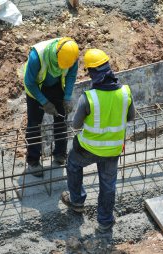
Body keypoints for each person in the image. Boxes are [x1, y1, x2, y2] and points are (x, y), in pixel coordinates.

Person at [60, 49, 135, 233]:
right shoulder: (125, 92)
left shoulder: (89, 98)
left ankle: (77, 201)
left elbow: (76, 126)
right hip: (113, 150)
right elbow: (130, 117)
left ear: (92, 73)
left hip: (88, 149)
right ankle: (105, 222)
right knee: (108, 185)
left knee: (73, 164)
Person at [23, 37, 79, 177]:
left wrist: (67, 97)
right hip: (36, 88)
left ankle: (60, 154)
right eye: (59, 65)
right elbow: (29, 82)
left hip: (55, 86)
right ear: (56, 55)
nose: (61, 68)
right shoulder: (37, 56)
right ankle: (33, 161)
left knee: (61, 119)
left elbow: (71, 75)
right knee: (34, 124)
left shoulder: (72, 55)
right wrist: (44, 102)